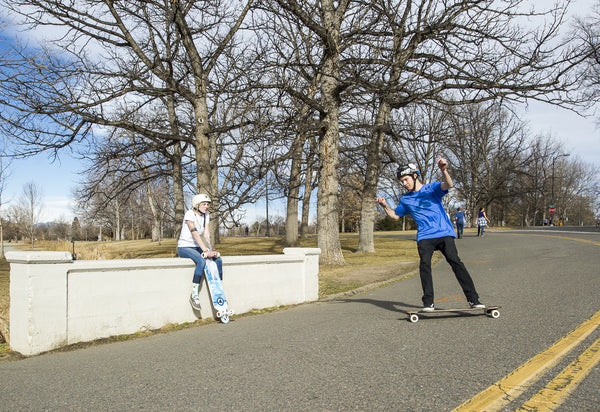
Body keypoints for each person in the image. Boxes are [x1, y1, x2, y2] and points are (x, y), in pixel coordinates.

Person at [376, 156, 485, 312]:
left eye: (406, 179)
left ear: (415, 176)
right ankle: (428, 302)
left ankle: (474, 299)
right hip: (425, 236)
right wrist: (385, 205)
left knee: (455, 262)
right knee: (425, 265)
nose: (404, 183)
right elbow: (395, 216)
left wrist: (443, 170)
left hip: (443, 232)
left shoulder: (432, 189)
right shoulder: (406, 199)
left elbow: (449, 184)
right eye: (401, 181)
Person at [177, 194, 223, 310]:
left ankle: (219, 287)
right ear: (197, 205)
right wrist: (205, 250)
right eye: (204, 204)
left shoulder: (206, 215)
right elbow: (195, 234)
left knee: (218, 259)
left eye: (208, 204)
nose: (206, 206)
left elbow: (206, 234)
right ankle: (194, 295)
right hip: (184, 247)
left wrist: (211, 249)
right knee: (201, 261)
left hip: (197, 247)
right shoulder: (189, 214)